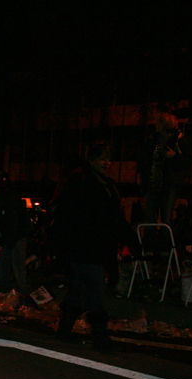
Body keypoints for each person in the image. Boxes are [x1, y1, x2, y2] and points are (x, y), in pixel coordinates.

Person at [51, 142, 135, 350]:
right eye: (102, 158)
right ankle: (99, 336)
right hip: (85, 245)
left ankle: (65, 330)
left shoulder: (102, 184)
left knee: (78, 287)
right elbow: (69, 215)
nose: (106, 163)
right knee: (94, 287)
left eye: (108, 159)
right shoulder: (83, 182)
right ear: (91, 160)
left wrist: (129, 238)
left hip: (90, 245)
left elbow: (114, 218)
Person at [138, 113, 192, 229]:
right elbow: (144, 159)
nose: (156, 125)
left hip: (168, 184)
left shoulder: (178, 140)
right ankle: (152, 238)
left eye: (158, 123)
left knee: (165, 217)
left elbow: (187, 162)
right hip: (155, 182)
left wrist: (174, 156)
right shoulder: (153, 140)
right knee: (152, 217)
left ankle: (163, 238)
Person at [0, 173, 29, 296]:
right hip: (9, 237)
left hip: (16, 236)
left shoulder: (8, 198)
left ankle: (20, 292)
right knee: (4, 263)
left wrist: (10, 238)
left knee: (17, 265)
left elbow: (12, 220)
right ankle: (5, 289)